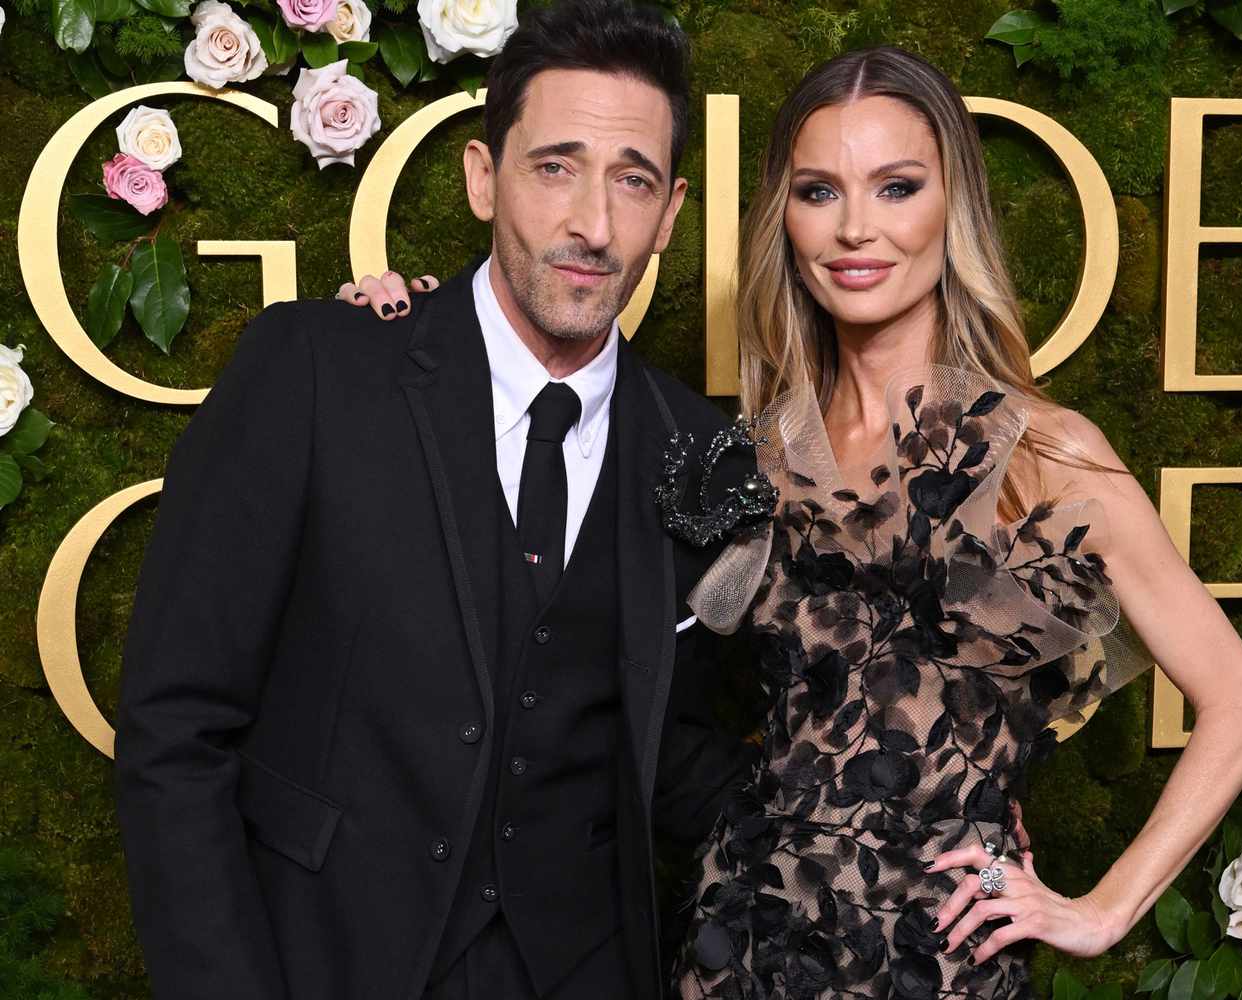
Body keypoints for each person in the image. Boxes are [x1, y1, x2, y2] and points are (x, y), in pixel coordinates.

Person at [353, 45, 1242, 1000]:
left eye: (896, 186)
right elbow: (610, 681)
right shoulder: (745, 458)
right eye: (818, 192)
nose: (855, 229)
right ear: (784, 220)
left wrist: (1101, 909)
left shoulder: (1041, 451)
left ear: (950, 206)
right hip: (740, 942)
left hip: (937, 961)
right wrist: (413, 327)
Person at [112, 2, 760, 999]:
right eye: (554, 166)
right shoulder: (318, 371)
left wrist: (920, 811)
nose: (593, 224)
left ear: (672, 212)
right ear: (480, 177)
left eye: (631, 181)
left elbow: (679, 757)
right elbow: (175, 727)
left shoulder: (700, 455)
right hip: (325, 958)